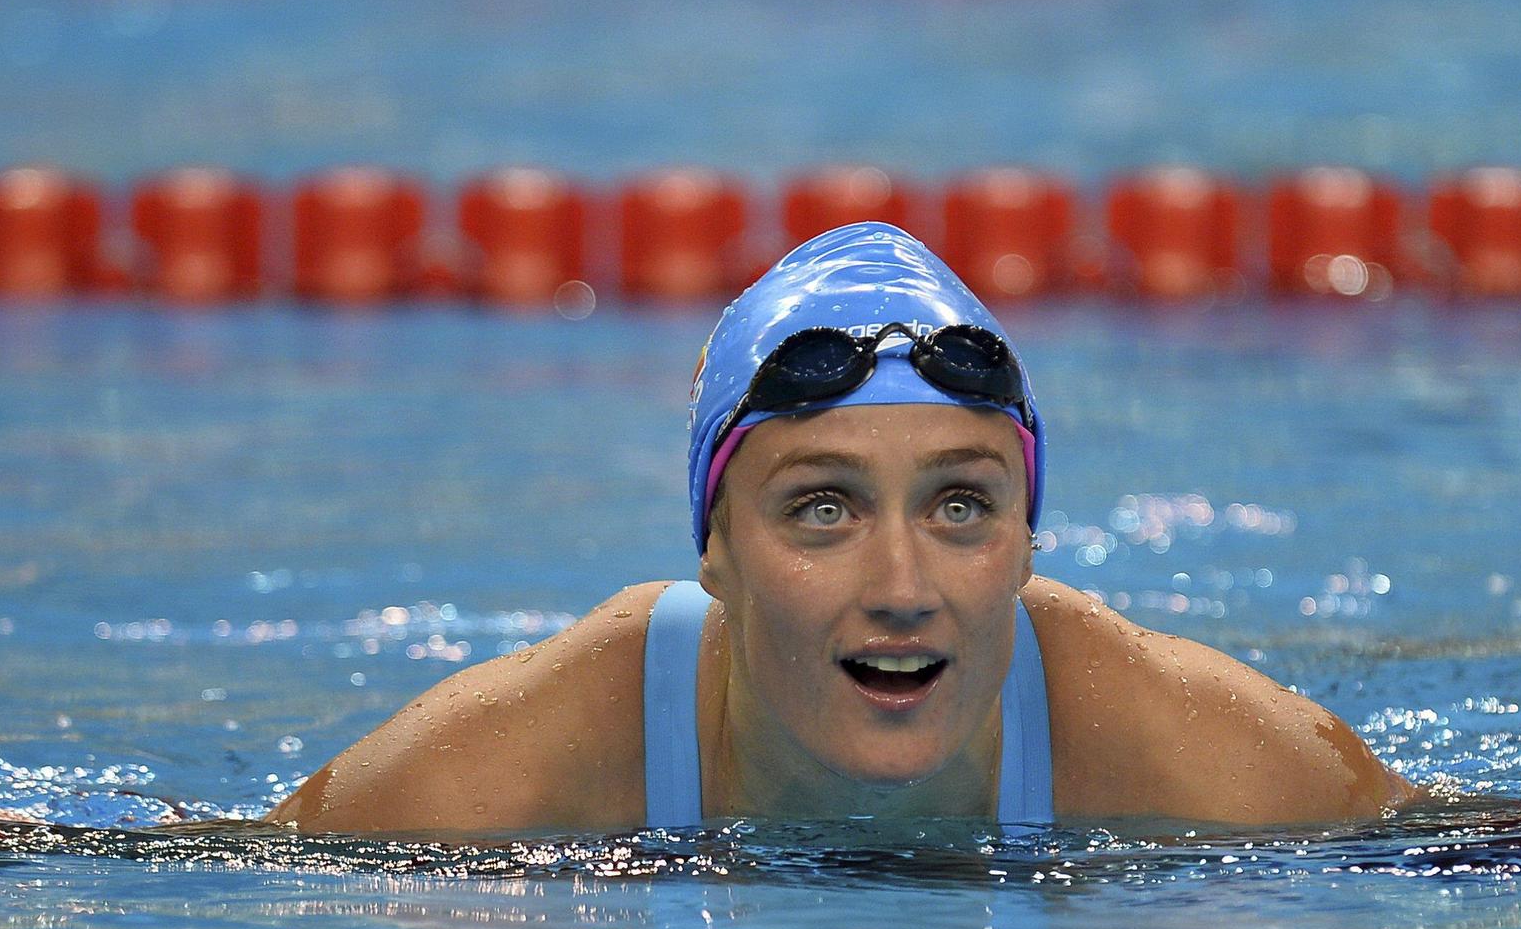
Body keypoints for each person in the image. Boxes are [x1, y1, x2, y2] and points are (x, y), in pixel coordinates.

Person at [269, 223, 1414, 834]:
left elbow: (1508, 848)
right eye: (823, 508)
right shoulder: (512, 768)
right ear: (713, 550)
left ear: (1027, 542)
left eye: (960, 504)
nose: (902, 584)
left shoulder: (1185, 748)